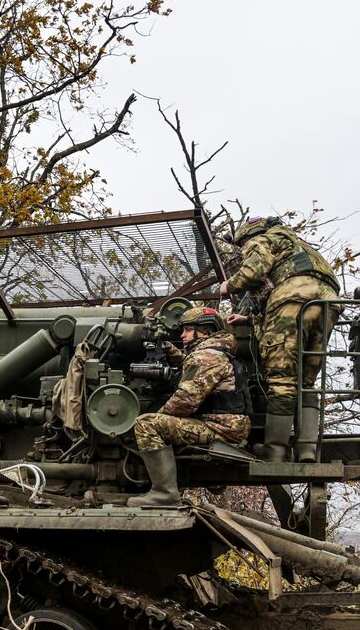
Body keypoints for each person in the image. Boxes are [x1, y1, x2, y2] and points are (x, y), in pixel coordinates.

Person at [220, 217, 341, 462]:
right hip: (329, 302)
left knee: (281, 379)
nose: (244, 250)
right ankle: (307, 450)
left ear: (248, 237)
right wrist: (250, 319)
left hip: (292, 298)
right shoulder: (301, 247)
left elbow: (253, 272)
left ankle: (275, 451)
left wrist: (228, 286)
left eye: (243, 245)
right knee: (306, 381)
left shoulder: (264, 239)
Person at [127, 307, 250, 507]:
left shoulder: (206, 357)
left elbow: (185, 401)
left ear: (204, 330)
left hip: (219, 430)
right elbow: (192, 365)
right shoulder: (218, 351)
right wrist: (170, 350)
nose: (182, 335)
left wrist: (158, 418)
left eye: (187, 330)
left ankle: (165, 493)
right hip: (228, 427)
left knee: (147, 424)